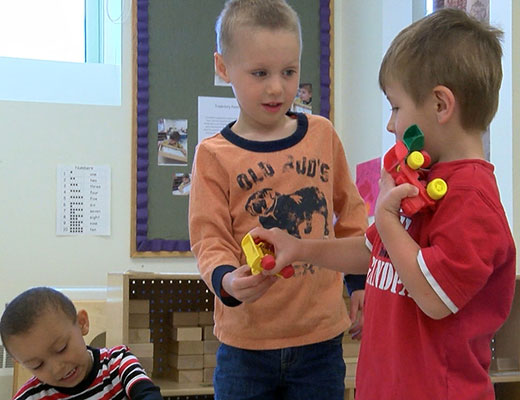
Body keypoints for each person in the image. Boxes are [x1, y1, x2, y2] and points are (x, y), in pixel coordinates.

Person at [251, 8, 516, 400]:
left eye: (396, 107)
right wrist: (300, 248)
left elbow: (433, 296)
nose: (391, 125)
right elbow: (372, 251)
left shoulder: (473, 197)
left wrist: (387, 219)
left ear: (441, 105)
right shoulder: (426, 178)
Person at [188, 0, 368, 399]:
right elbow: (209, 238)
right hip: (245, 348)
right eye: (259, 73)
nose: (276, 87)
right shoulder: (213, 155)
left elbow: (351, 211)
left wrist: (359, 282)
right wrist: (227, 280)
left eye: (289, 72)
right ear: (223, 68)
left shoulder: (322, 134)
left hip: (319, 341)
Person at [0, 287, 163, 400]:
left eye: (61, 348)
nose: (57, 368)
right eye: (37, 365)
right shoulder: (30, 396)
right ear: (19, 361)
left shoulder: (118, 362)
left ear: (81, 323)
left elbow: (147, 394)